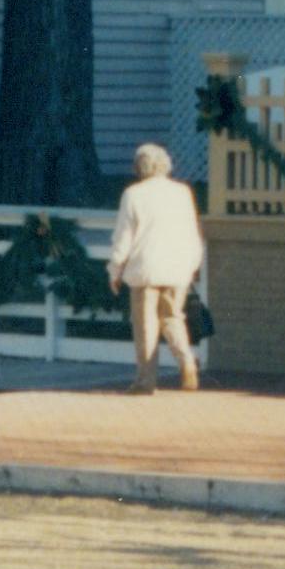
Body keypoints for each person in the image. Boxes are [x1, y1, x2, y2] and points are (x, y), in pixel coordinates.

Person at [103, 142, 204, 394]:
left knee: (146, 325)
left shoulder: (134, 194)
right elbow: (192, 232)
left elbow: (123, 237)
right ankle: (187, 363)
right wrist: (193, 264)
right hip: (177, 267)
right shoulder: (182, 192)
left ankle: (146, 381)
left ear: (140, 166)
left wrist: (114, 270)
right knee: (173, 319)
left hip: (145, 268)